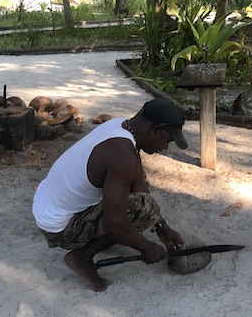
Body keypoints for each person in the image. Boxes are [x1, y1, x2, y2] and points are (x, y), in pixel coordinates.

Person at [32, 98, 188, 292]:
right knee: (135, 211)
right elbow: (114, 224)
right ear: (154, 130)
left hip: (47, 205)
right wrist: (145, 247)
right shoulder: (122, 155)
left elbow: (138, 182)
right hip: (58, 228)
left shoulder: (121, 127)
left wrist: (160, 226)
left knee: (141, 200)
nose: (165, 146)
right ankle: (81, 257)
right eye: (167, 139)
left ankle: (96, 238)